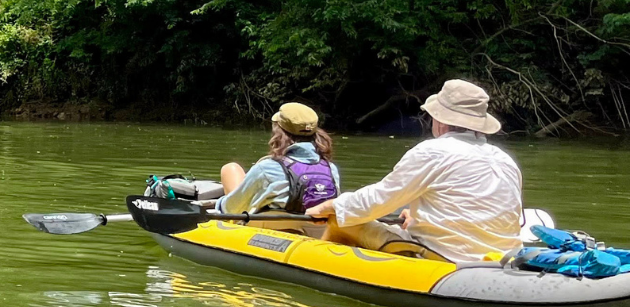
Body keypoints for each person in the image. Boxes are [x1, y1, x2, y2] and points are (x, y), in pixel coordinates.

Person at [306, 79, 522, 262]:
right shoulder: (504, 159)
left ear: (441, 119)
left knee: (342, 218)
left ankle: (317, 269)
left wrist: (330, 205)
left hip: (445, 257)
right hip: (501, 258)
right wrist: (422, 217)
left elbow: (377, 200)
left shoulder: (432, 151)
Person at [215, 102, 339, 235]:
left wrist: (219, 204)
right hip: (315, 232)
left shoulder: (267, 168)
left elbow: (231, 209)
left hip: (269, 231)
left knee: (230, 169)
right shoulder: (331, 169)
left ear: (279, 133)